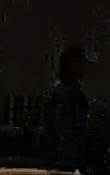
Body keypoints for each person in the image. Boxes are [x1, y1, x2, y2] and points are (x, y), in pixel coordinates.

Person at [37, 43, 98, 172]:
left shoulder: (72, 95)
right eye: (80, 61)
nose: (84, 67)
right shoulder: (63, 97)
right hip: (66, 161)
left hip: (70, 160)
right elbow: (61, 131)